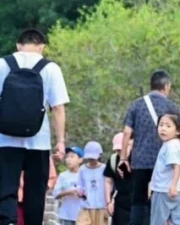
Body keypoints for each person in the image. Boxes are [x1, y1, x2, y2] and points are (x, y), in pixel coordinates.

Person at [0, 30, 70, 225]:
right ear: (42, 47)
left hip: (5, 139)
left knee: (5, 187)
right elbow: (58, 108)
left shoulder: (2, 64)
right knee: (35, 191)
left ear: (18, 45)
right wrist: (60, 142)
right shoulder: (51, 68)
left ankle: (8, 222)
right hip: (39, 140)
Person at [119, 72, 174, 225]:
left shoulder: (137, 105)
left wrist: (123, 158)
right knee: (160, 202)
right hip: (163, 162)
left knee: (138, 202)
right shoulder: (172, 107)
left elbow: (127, 132)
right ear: (166, 86)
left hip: (139, 162)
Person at [148, 115, 180, 225]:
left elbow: (176, 166)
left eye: (168, 126)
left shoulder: (170, 146)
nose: (163, 128)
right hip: (179, 190)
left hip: (164, 190)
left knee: (158, 221)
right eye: (161, 125)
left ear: (178, 131)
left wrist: (173, 186)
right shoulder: (177, 144)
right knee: (179, 220)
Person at [78, 143, 110, 225]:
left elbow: (109, 185)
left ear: (99, 155)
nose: (91, 160)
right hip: (86, 207)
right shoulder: (82, 169)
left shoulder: (105, 168)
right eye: (89, 158)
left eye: (93, 158)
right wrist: (80, 192)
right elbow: (80, 185)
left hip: (101, 207)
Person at [105, 135, 132, 225]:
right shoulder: (113, 160)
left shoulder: (138, 159)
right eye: (118, 150)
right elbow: (108, 181)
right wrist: (108, 202)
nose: (121, 152)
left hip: (137, 200)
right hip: (120, 200)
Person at [52, 149, 83, 225]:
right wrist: (68, 192)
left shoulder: (84, 175)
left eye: (72, 157)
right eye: (67, 157)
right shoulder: (63, 176)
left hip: (82, 216)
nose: (68, 159)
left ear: (80, 160)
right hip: (66, 216)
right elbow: (55, 194)